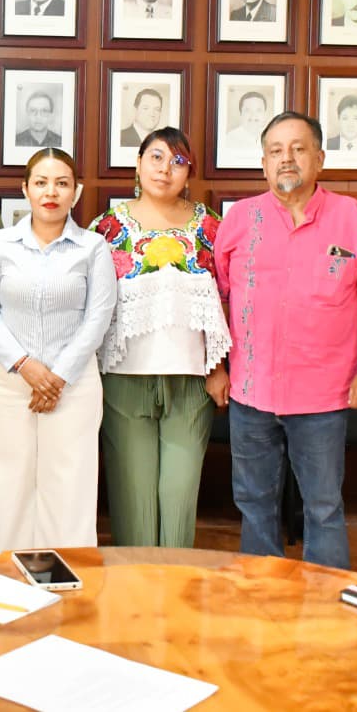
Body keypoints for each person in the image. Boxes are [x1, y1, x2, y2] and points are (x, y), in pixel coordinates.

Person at [212, 111, 357, 570]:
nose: (287, 158)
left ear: (319, 159)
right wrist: (216, 368)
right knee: (254, 502)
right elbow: (216, 300)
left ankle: (325, 600)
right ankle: (264, 592)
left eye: (298, 149)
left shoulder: (349, 216)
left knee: (323, 507)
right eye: (276, 150)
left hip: (323, 395)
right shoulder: (240, 219)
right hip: (251, 391)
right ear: (263, 163)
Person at [88, 129, 230, 548]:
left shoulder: (210, 226)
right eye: (156, 157)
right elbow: (90, 305)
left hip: (192, 382)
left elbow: (227, 300)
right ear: (137, 164)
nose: (165, 169)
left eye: (178, 161)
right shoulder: (108, 227)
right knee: (133, 500)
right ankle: (136, 583)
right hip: (123, 380)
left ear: (189, 172)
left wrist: (219, 368)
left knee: (178, 496)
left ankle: (175, 580)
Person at [0, 148, 115, 556]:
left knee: (70, 485)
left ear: (76, 191)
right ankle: (5, 575)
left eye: (62, 183)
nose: (51, 192)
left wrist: (57, 376)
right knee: (8, 484)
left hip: (73, 385)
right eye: (41, 182)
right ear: (25, 189)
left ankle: (67, 581)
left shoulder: (93, 248)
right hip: (9, 383)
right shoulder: (1, 244)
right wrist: (26, 366)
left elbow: (98, 317)